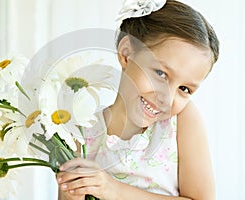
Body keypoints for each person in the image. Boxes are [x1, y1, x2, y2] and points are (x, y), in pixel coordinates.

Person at [57, 0, 219, 199]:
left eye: (184, 88)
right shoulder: (82, 131)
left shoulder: (181, 122)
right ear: (126, 54)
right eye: (161, 74)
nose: (166, 98)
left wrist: (113, 190)